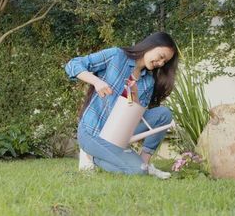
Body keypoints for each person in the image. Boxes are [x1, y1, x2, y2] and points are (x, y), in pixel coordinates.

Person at [65, 32, 179, 179]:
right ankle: (91, 155)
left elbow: (134, 117)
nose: (161, 63)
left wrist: (135, 98)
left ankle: (145, 162)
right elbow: (73, 65)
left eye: (165, 62)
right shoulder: (116, 55)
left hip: (117, 134)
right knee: (137, 171)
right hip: (93, 131)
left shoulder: (148, 81)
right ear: (151, 45)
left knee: (163, 114)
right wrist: (97, 82)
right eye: (161, 56)